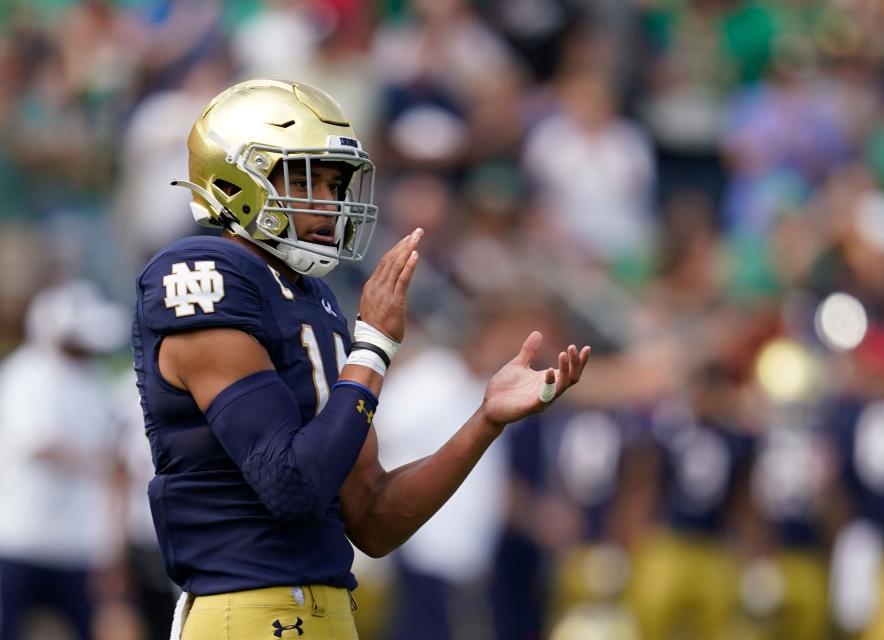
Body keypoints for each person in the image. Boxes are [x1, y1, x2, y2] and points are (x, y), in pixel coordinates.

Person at [131, 78, 590, 640]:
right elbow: (290, 484)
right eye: (307, 181)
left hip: (327, 608)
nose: (328, 204)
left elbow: (373, 518)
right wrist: (373, 343)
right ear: (237, 176)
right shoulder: (201, 274)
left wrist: (485, 420)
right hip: (248, 609)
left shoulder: (312, 296)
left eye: (334, 185)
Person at [0, 280, 129, 640]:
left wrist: (111, 550)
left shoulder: (96, 381)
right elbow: (40, 443)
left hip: (80, 547)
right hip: (18, 540)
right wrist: (102, 464)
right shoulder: (25, 374)